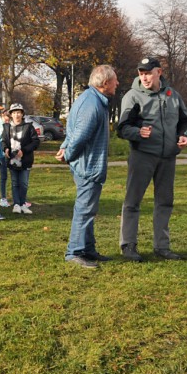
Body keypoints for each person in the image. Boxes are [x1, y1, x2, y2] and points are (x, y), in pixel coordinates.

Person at [117, 57, 187, 262]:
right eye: (141, 73)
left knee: (165, 202)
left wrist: (185, 136)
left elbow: (185, 122)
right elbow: (122, 128)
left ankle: (162, 246)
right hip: (142, 156)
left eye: (148, 73)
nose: (144, 77)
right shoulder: (132, 96)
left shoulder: (173, 95)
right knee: (132, 202)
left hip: (168, 158)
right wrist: (138, 132)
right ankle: (128, 245)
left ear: (159, 72)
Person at [57, 65, 119, 268]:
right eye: (115, 80)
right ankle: (74, 252)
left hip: (87, 165)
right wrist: (68, 153)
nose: (117, 84)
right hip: (88, 166)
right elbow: (80, 135)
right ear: (105, 83)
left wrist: (65, 148)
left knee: (88, 210)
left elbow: (72, 132)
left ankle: (87, 249)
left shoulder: (91, 100)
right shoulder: (92, 103)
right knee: (84, 210)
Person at [3, 103, 40, 215]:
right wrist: (5, 148)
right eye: (14, 113)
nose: (16, 115)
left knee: (23, 183)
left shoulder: (28, 126)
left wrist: (24, 150)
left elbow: (36, 142)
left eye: (18, 112)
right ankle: (16, 204)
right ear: (11, 115)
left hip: (25, 160)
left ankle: (23, 203)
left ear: (22, 114)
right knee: (15, 183)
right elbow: (3, 140)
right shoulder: (7, 127)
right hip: (12, 160)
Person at [0, 109, 11, 207]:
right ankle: (3, 198)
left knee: (8, 176)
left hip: (7, 152)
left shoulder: (7, 124)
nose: (8, 120)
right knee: (2, 176)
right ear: (2, 115)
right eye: (7, 117)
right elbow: (1, 139)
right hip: (0, 153)